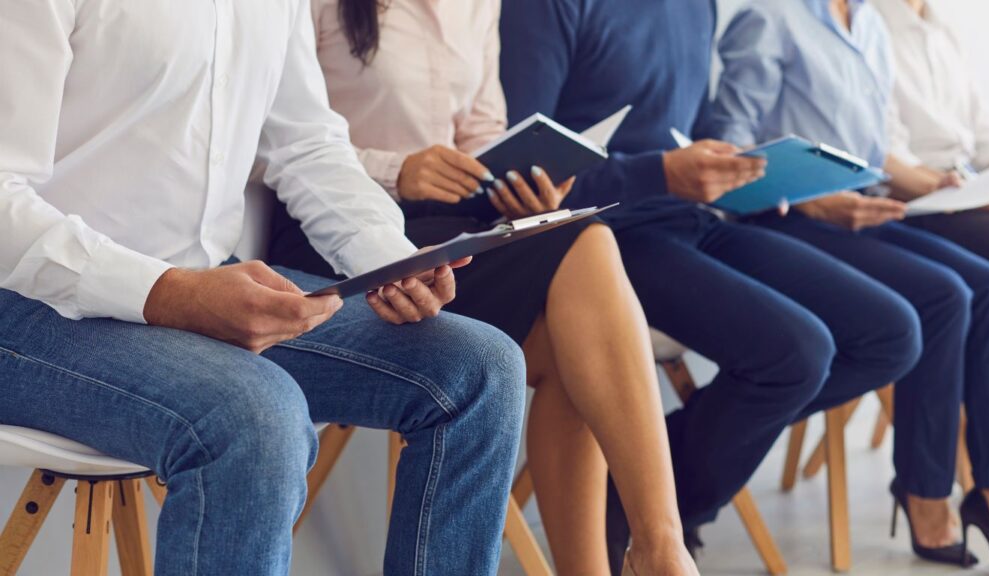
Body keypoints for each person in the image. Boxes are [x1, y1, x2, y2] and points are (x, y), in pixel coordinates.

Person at [0, 1, 529, 574]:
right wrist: (171, 293)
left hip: (200, 279)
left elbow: (305, 143)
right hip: (29, 304)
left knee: (479, 368)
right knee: (256, 418)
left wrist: (385, 257)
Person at [267, 1, 698, 574]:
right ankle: (659, 550)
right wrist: (400, 168)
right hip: (336, 234)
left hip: (448, 222)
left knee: (581, 344)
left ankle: (632, 553)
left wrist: (524, 177)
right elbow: (277, 140)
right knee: (589, 244)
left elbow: (483, 130)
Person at [499, 0, 922, 570]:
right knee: (798, 352)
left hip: (690, 217)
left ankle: (634, 490)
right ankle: (651, 517)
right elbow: (523, 170)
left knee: (891, 331)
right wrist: (661, 171)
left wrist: (740, 166)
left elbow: (687, 133)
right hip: (598, 241)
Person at [706, 0, 989, 573]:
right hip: (788, 218)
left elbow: (874, 149)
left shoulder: (869, 25)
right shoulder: (773, 18)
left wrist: (936, 182)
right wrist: (812, 200)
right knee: (945, 296)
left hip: (863, 210)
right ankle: (926, 495)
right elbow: (726, 147)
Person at [871, 0, 989, 329]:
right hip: (922, 203)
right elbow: (886, 157)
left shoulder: (942, 28)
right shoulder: (870, 25)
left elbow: (988, 141)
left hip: (968, 190)